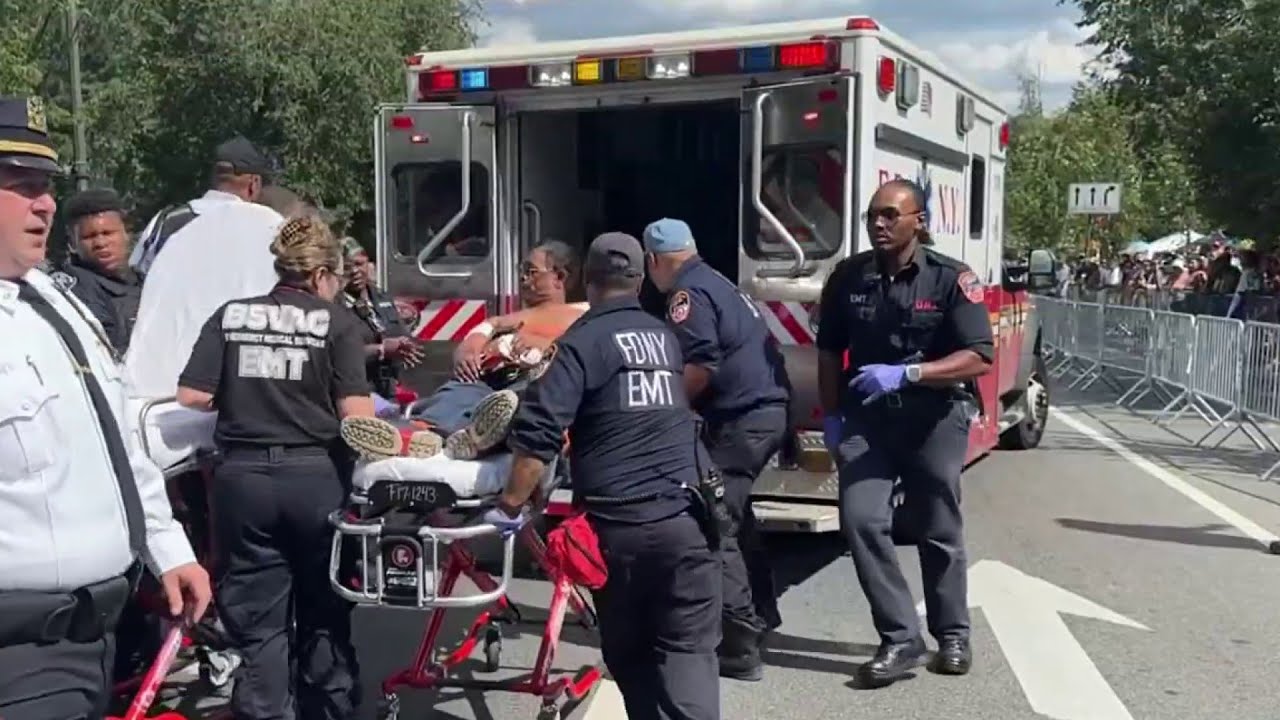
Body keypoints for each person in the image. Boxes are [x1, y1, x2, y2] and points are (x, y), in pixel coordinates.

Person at [0, 95, 211, 719]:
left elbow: (117, 439)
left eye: (46, 186)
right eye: (21, 185)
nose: (45, 203)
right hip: (20, 656)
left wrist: (167, 548)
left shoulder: (50, 298)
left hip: (97, 640)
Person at [486, 231, 722, 720]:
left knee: (630, 653)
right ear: (640, 280)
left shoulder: (580, 342)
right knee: (688, 653)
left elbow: (539, 435)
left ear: (586, 281)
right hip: (688, 523)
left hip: (622, 532)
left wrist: (510, 505)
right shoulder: (664, 337)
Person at [176, 215, 372, 720]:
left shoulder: (232, 314)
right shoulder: (339, 323)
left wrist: (249, 394)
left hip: (241, 483)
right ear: (323, 274)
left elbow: (193, 395)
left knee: (257, 619)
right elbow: (356, 416)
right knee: (324, 611)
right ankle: (328, 710)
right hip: (316, 480)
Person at [816, 179, 993, 688]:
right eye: (873, 215)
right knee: (862, 520)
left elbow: (979, 356)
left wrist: (911, 373)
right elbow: (829, 350)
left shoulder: (950, 279)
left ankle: (952, 634)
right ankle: (899, 637)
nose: (879, 223)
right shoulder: (849, 277)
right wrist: (831, 417)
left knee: (936, 527)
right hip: (868, 419)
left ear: (919, 221)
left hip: (934, 417)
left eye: (891, 214)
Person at [643, 217, 789, 681]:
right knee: (736, 517)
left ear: (653, 261)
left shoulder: (687, 295)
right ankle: (761, 613)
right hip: (764, 413)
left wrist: (663, 411)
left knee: (715, 522)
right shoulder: (717, 281)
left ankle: (740, 644)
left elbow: (701, 363)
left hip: (743, 420)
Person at [339, 241, 586, 460]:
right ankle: (419, 435)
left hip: (530, 384)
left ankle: (476, 436)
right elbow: (480, 333)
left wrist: (545, 346)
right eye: (521, 271)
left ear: (560, 277)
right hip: (486, 380)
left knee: (516, 402)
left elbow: (583, 354)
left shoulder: (582, 314)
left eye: (531, 272)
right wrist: (468, 352)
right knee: (457, 392)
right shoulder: (508, 318)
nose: (523, 278)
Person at [124, 137, 283, 399]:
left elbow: (139, 278)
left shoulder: (168, 221)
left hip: (162, 383)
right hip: (243, 380)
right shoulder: (272, 227)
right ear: (254, 184)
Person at [51, 187, 144, 353]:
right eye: (89, 236)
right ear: (72, 243)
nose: (100, 243)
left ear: (126, 233)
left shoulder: (145, 281)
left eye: (108, 233)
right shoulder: (75, 289)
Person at [340, 236, 423, 398]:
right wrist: (380, 350)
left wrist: (405, 345)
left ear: (368, 263)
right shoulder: (335, 304)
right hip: (359, 391)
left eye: (359, 264)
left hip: (389, 387)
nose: (355, 271)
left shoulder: (380, 297)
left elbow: (399, 331)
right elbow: (339, 355)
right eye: (347, 267)